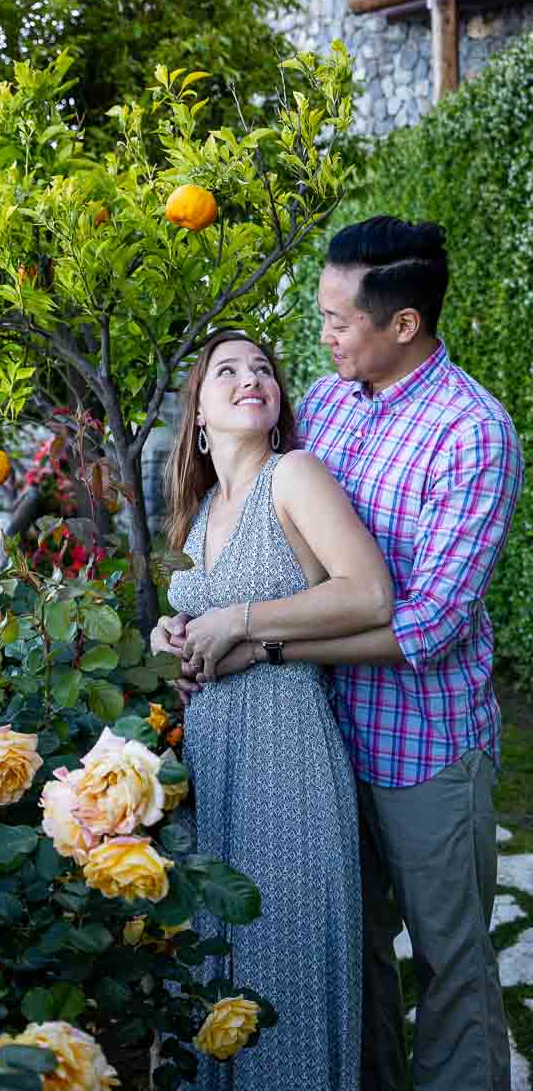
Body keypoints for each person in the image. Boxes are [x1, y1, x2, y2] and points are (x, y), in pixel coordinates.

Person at [156, 217, 524, 1091]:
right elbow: (271, 534)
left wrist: (257, 639)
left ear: (403, 323)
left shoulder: (472, 432)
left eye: (337, 319)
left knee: (453, 971)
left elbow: (427, 623)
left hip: (421, 750)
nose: (319, 336)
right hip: (316, 746)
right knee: (347, 966)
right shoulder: (323, 402)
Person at [152, 329, 394, 1091]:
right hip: (211, 760)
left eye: (262, 369)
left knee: (281, 967)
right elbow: (205, 619)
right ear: (197, 416)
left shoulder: (294, 474)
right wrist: (176, 634)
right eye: (227, 371)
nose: (250, 377)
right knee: (213, 965)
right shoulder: (197, 515)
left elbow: (368, 594)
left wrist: (243, 623)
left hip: (286, 755)